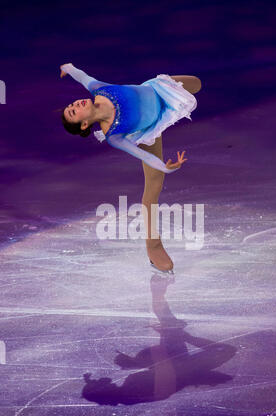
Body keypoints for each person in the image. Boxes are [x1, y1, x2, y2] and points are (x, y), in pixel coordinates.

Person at [59, 63, 201, 272]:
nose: (75, 104)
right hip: (149, 128)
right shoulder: (114, 135)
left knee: (196, 83)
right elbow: (143, 155)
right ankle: (153, 246)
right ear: (84, 125)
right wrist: (166, 168)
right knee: (153, 187)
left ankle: (154, 246)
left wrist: (68, 67)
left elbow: (82, 76)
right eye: (73, 111)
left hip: (159, 90)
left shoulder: (99, 89)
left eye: (72, 104)